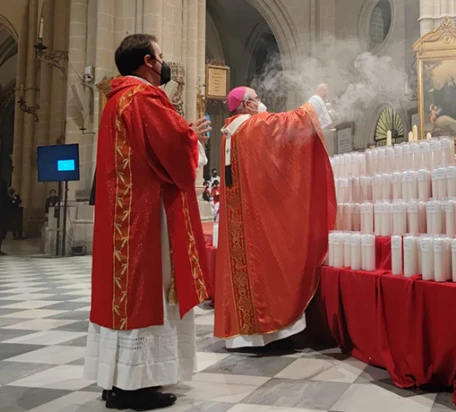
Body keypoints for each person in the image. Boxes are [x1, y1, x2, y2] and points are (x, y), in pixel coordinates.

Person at [84, 34, 212, 411]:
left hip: (121, 217)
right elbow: (172, 149)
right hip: (145, 217)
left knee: (121, 296)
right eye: (160, 55)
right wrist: (191, 137)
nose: (164, 62)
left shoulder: (116, 99)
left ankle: (117, 380)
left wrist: (182, 134)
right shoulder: (144, 97)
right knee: (146, 294)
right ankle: (135, 387)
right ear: (147, 61)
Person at [214, 84, 336, 349]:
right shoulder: (251, 126)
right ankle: (268, 332)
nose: (261, 103)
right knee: (266, 271)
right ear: (247, 104)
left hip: (243, 219)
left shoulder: (229, 131)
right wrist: (316, 99)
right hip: (256, 223)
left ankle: (243, 336)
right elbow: (290, 124)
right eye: (257, 99)